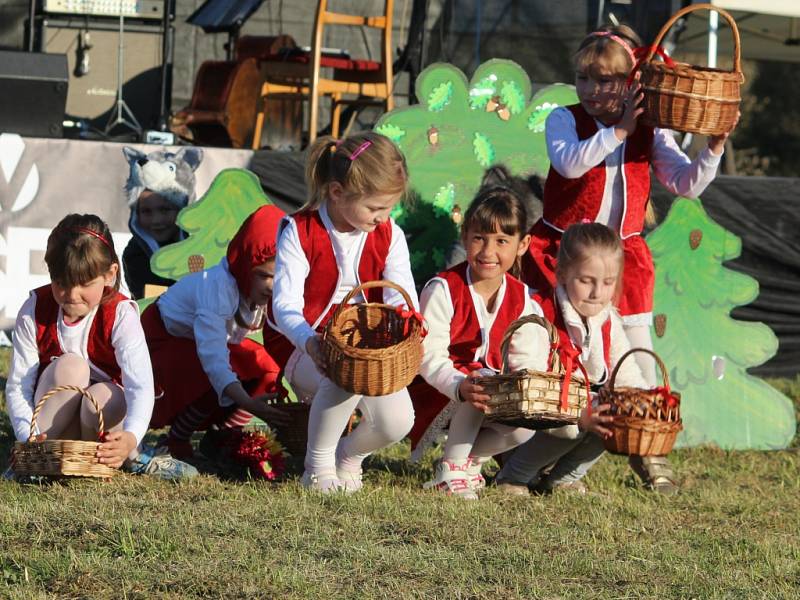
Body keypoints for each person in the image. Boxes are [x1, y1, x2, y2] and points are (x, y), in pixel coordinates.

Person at [522, 24, 735, 490]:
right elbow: (570, 163)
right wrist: (619, 131)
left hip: (625, 260)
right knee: (565, 357)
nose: (593, 91)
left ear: (630, 82)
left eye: (607, 81)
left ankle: (645, 452)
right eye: (585, 79)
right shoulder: (564, 118)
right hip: (567, 256)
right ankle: (528, 454)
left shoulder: (649, 128)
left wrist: (712, 150)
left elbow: (684, 183)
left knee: (638, 360)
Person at [266, 131, 418, 493]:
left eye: (388, 209)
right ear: (336, 192)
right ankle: (316, 468)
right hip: (300, 343)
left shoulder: (389, 233)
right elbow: (285, 306)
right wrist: (310, 343)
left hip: (367, 346)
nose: (383, 218)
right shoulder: (298, 230)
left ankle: (347, 458)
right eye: (375, 208)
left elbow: (401, 296)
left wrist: (406, 328)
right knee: (342, 374)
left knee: (398, 420)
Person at [5, 214, 196, 480]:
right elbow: (18, 384)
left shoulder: (120, 314)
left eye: (84, 284)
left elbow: (140, 384)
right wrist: (27, 436)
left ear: (109, 274)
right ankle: (35, 461)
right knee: (71, 366)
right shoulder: (35, 309)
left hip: (99, 425)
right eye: (61, 283)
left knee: (109, 395)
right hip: (51, 429)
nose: (71, 295)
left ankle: (121, 456)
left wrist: (130, 437)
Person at [407, 182, 552, 499]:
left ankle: (471, 463)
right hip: (438, 390)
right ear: (464, 238)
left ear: (523, 244)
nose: (488, 252)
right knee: (482, 381)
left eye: (502, 240)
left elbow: (528, 357)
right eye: (479, 239)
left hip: (489, 394)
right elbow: (427, 356)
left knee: (527, 422)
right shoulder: (443, 289)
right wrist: (459, 384)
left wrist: (521, 388)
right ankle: (451, 468)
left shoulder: (523, 299)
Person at [496, 223, 648, 495]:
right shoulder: (539, 312)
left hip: (577, 408)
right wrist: (579, 414)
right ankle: (514, 475)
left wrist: (638, 404)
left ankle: (564, 478)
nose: (596, 293)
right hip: (531, 415)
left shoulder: (607, 318)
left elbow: (625, 372)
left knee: (611, 418)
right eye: (586, 280)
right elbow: (527, 382)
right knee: (575, 426)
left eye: (607, 283)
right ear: (563, 273)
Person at [140, 204, 291, 461]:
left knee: (266, 367)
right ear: (245, 267)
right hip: (166, 341)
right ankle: (177, 437)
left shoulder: (266, 293)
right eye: (264, 276)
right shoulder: (217, 289)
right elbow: (214, 359)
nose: (272, 286)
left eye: (280, 276)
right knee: (215, 375)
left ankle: (225, 435)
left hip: (203, 344)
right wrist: (246, 401)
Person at [122, 188, 184, 299]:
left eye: (165, 210)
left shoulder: (202, 247)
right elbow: (152, 301)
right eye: (146, 211)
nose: (156, 220)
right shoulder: (135, 255)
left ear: (181, 210)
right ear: (136, 215)